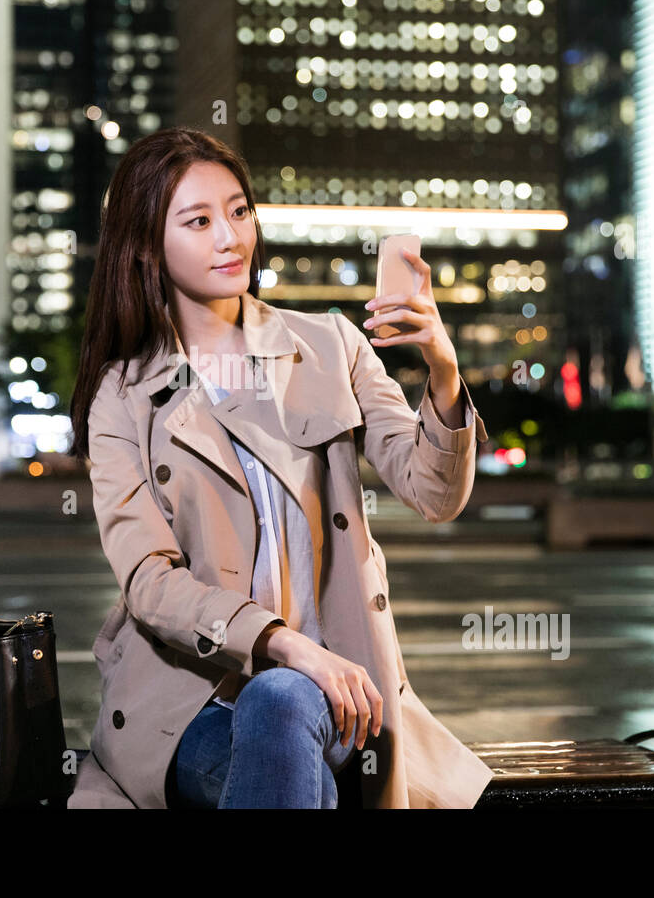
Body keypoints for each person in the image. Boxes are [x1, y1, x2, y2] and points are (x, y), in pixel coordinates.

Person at [66, 127, 493, 808]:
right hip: (191, 709)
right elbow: (149, 582)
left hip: (343, 696)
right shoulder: (123, 396)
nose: (229, 238)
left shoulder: (329, 345)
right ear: (148, 243)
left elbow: (433, 493)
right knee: (280, 702)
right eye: (198, 221)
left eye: (238, 211)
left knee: (286, 702)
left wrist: (441, 368)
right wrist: (282, 644)